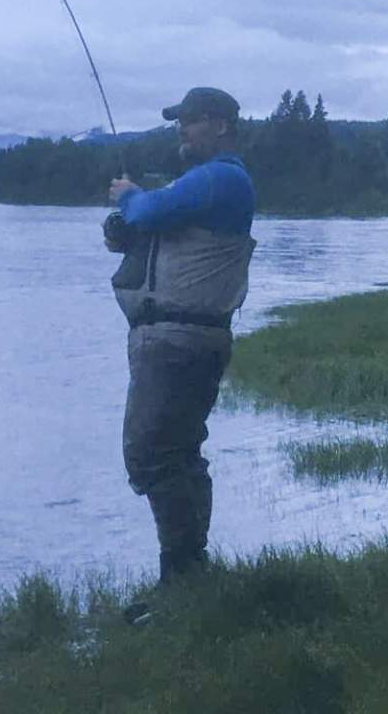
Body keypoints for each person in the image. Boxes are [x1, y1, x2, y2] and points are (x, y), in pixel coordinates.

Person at [104, 86, 256, 592]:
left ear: (221, 126)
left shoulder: (222, 179)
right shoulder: (202, 187)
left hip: (179, 342)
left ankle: (181, 577)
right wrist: (127, 227)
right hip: (177, 339)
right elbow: (148, 226)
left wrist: (129, 199)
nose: (181, 130)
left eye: (190, 121)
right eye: (179, 123)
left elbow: (147, 212)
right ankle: (189, 579)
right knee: (179, 453)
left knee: (150, 453)